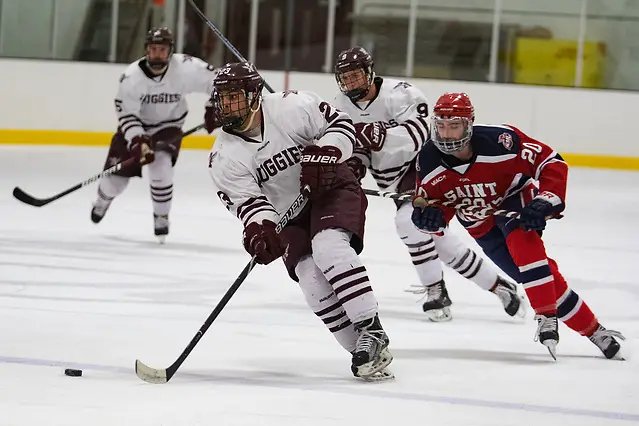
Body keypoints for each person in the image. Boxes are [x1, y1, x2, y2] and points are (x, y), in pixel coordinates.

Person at [204, 62, 393, 381]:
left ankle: (372, 331)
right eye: (222, 98)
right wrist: (261, 231)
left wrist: (327, 151)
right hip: (288, 214)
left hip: (332, 189)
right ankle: (361, 349)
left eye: (234, 97)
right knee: (309, 277)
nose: (226, 105)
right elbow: (250, 203)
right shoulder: (223, 156)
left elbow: (342, 124)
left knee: (328, 247)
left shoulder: (291, 107)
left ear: (253, 95)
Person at [411, 92, 625, 359]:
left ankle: (546, 315)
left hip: (513, 200)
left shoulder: (501, 141)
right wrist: (430, 218)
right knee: (534, 276)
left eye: (454, 126)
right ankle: (594, 330)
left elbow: (551, 162)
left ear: (469, 124)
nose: (446, 134)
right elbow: (430, 204)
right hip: (478, 222)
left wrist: (546, 200)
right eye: (441, 126)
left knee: (524, 245)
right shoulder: (428, 159)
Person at [331, 46, 523, 322]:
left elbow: (420, 134)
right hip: (389, 179)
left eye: (356, 76)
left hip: (423, 168)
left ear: (370, 72)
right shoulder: (339, 104)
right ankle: (498, 285)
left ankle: (436, 289)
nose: (351, 83)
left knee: (408, 222)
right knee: (438, 243)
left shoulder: (402, 94)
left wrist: (378, 135)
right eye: (345, 78)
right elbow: (355, 144)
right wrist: (353, 164)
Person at [91, 27, 217, 243]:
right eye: (153, 49)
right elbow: (127, 115)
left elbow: (218, 80)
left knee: (162, 168)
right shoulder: (131, 78)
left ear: (170, 51)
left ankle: (161, 216)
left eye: (162, 49)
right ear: (146, 50)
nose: (157, 54)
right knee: (115, 182)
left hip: (168, 127)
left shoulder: (186, 68)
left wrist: (214, 107)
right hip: (136, 128)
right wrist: (138, 141)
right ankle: (102, 200)